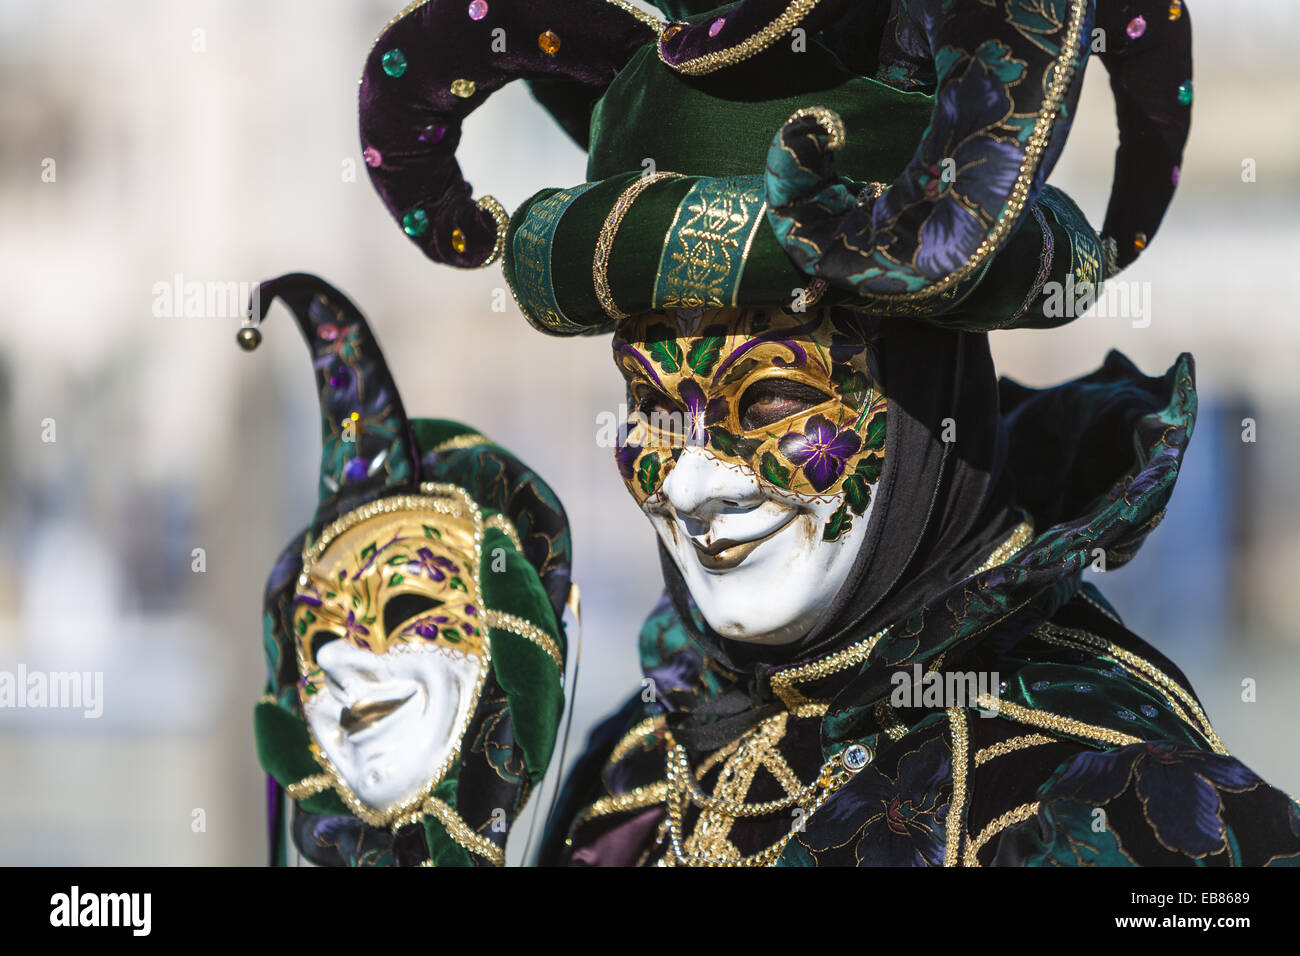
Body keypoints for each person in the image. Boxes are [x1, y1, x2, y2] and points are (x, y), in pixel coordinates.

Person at [247, 0, 1300, 865]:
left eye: (771, 402)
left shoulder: (1130, 804)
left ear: (921, 384)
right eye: (657, 408)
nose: (693, 482)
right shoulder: (630, 774)